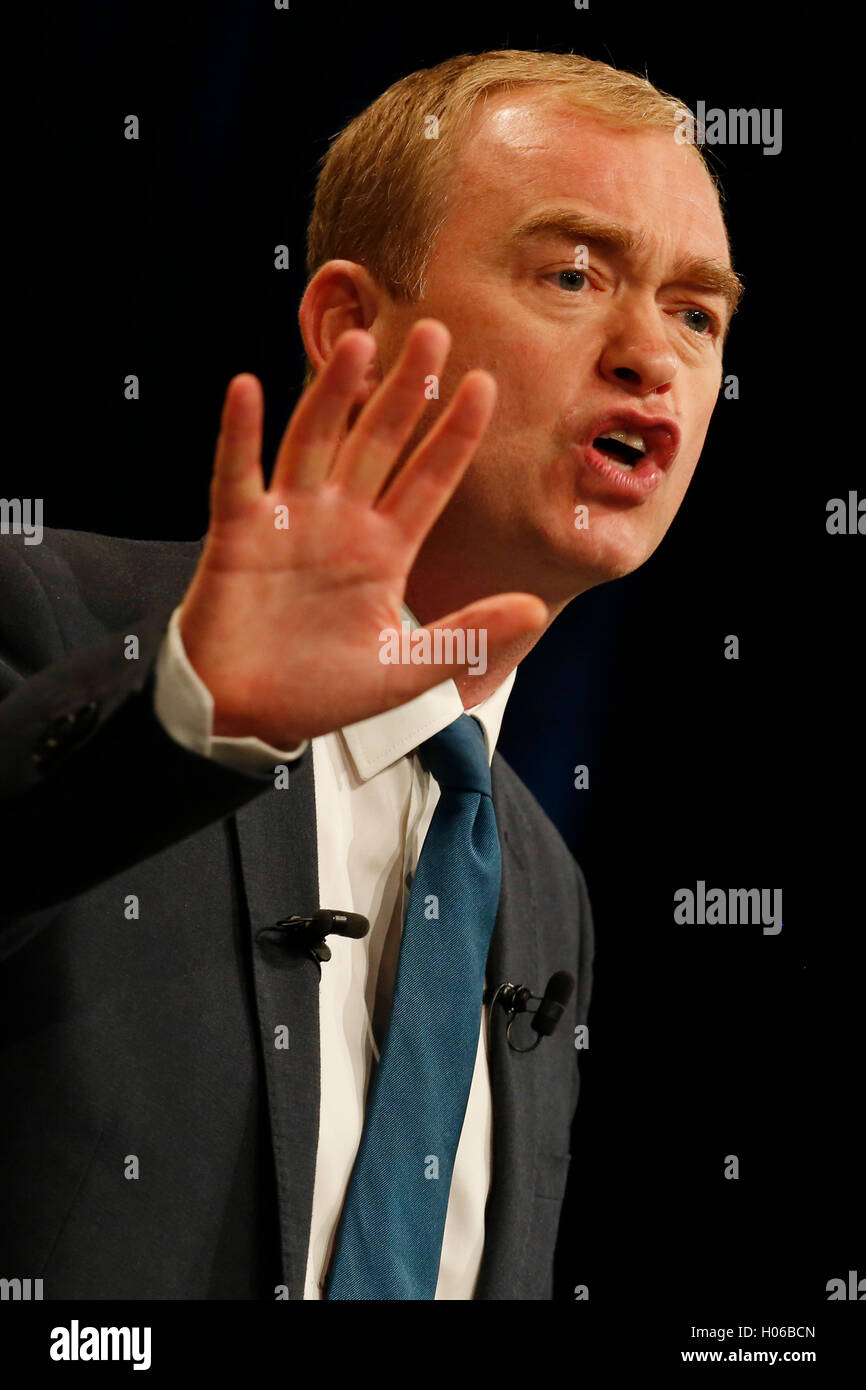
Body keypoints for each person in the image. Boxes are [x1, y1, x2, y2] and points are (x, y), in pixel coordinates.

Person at [0, 49, 742, 1301]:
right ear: (352, 322)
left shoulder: (542, 884)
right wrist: (193, 715)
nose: (649, 354)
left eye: (697, 312)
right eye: (572, 273)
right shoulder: (52, 615)